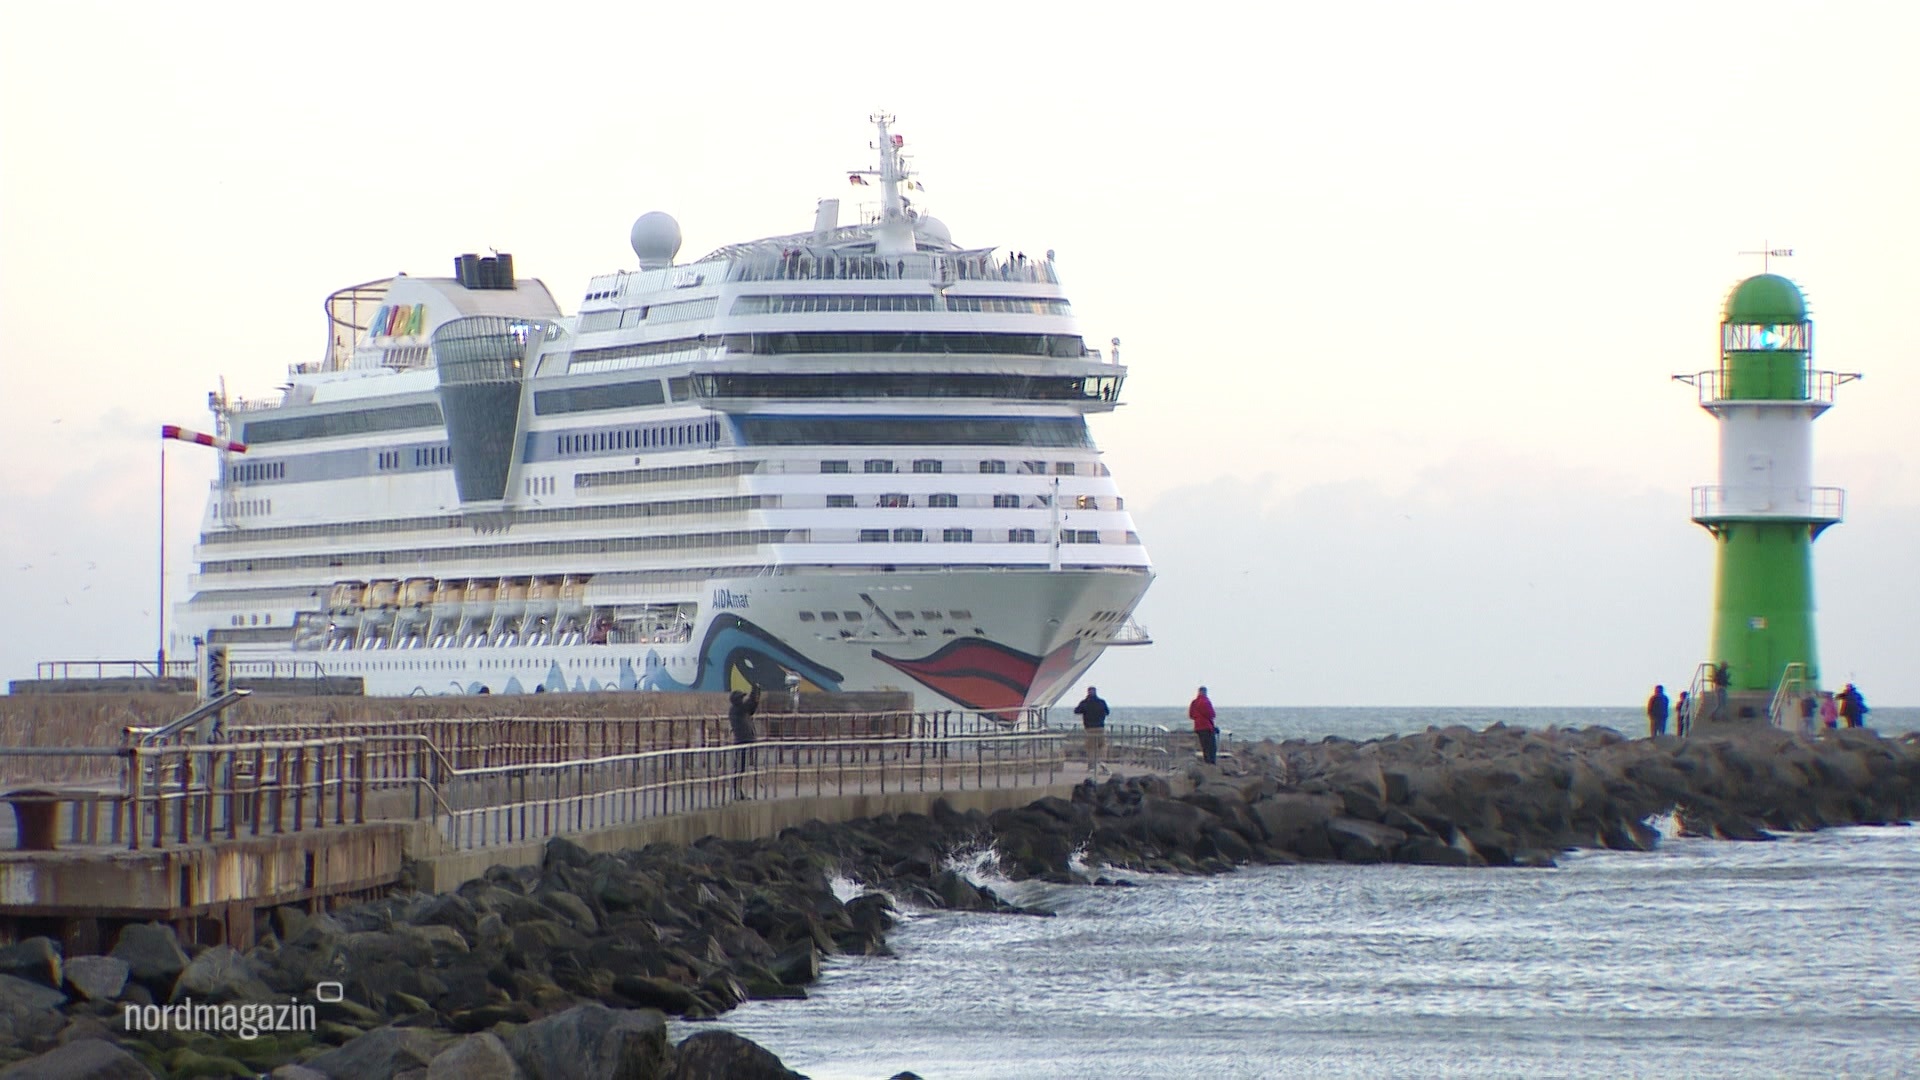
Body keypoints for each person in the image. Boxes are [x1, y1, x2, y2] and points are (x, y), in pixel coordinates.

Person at [728, 687, 761, 796]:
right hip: (742, 741)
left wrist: (756, 694)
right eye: (741, 698)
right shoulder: (737, 709)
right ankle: (737, 792)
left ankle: (739, 791)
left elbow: (752, 708)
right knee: (739, 767)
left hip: (745, 741)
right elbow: (750, 705)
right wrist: (754, 692)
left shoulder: (740, 709)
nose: (742, 700)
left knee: (741, 768)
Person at [1073, 686, 1110, 773]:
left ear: (1088, 692)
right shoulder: (1101, 702)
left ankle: (1091, 767)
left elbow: (1076, 711)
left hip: (1089, 728)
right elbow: (1107, 712)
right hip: (1100, 727)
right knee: (1102, 745)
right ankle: (1102, 761)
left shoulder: (1085, 702)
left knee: (1091, 748)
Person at [1188, 686, 1218, 765]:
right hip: (1207, 727)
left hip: (1198, 727)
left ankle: (1206, 761)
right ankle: (1211, 763)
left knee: (1204, 746)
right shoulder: (1205, 701)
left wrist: (1197, 717)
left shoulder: (1194, 702)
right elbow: (1211, 714)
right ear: (1205, 692)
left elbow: (1191, 715)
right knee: (1211, 747)